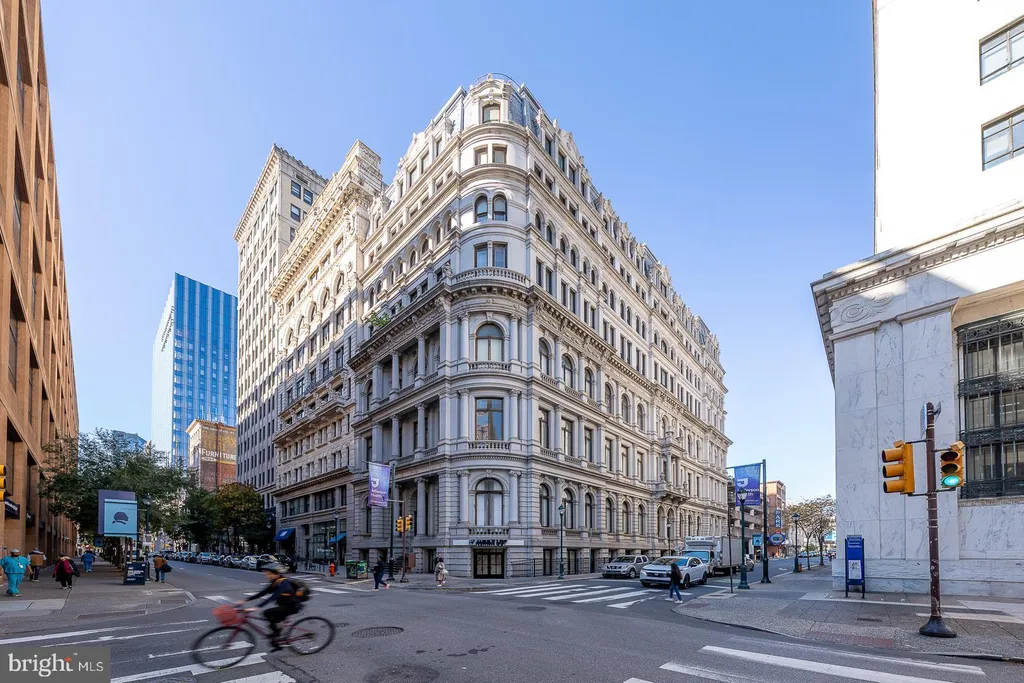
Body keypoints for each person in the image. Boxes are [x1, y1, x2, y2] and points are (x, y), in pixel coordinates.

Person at [240, 562, 302, 652]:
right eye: (266, 574)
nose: (267, 576)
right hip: (285, 605)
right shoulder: (275, 582)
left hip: (292, 607)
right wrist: (246, 600)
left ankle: (276, 636)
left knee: (267, 613)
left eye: (269, 574)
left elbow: (273, 597)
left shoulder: (284, 584)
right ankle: (277, 638)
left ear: (276, 574)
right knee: (272, 618)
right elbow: (263, 593)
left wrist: (256, 607)